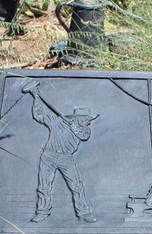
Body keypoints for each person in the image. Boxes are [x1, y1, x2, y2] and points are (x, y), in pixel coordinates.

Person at [22, 81, 98, 224]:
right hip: (48, 156)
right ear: (78, 118)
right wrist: (36, 97)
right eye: (86, 119)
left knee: (76, 185)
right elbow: (39, 115)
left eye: (89, 120)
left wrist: (73, 126)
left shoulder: (84, 129)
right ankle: (42, 212)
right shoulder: (57, 122)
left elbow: (84, 135)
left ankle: (83, 213)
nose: (88, 121)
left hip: (65, 159)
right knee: (44, 186)